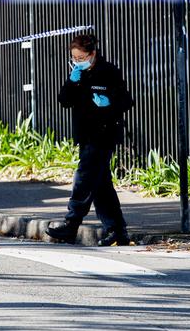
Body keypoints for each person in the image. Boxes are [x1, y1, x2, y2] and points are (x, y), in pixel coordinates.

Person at [46, 34, 134, 246]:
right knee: (101, 186)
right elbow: (64, 100)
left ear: (92, 54)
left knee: (84, 177)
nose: (77, 61)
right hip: (85, 135)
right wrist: (71, 81)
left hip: (104, 134)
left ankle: (71, 224)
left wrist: (108, 103)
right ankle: (117, 231)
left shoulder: (109, 72)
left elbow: (126, 100)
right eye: (74, 58)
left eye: (81, 57)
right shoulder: (79, 75)